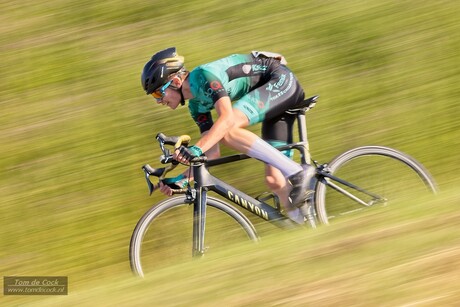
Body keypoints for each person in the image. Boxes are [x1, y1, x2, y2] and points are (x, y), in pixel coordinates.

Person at [141, 47, 315, 223]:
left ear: (176, 81)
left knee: (228, 130)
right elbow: (211, 153)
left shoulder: (203, 76)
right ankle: (308, 227)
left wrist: (195, 149)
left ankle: (297, 172)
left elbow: (226, 120)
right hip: (271, 99)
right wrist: (181, 179)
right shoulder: (196, 107)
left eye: (158, 93)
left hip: (279, 81)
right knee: (275, 180)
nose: (158, 101)